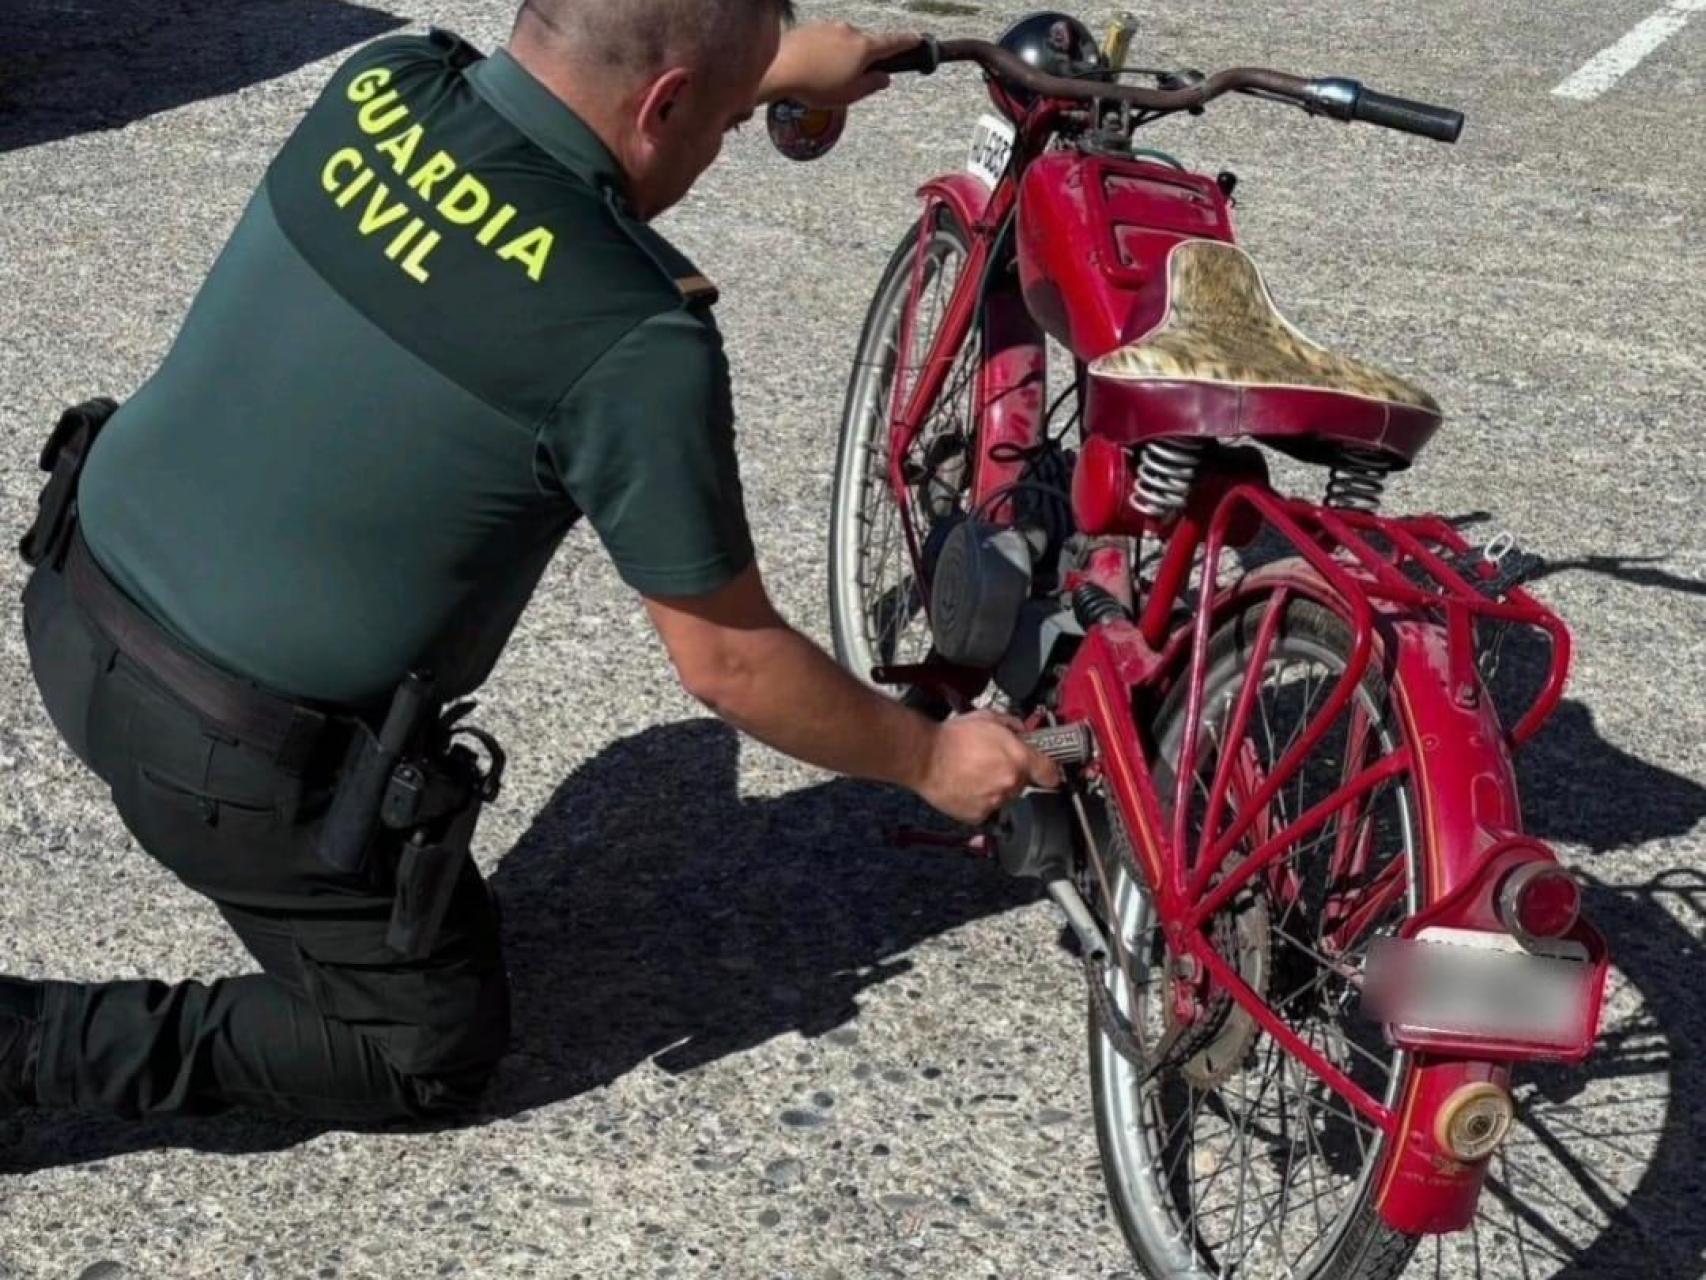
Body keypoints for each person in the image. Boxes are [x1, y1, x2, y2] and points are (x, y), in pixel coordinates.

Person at [3, 0, 1059, 1126]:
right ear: (665, 103)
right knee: (426, 1049)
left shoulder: (384, 79)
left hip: (72, 595)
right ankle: (32, 1050)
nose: (713, 152)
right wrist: (929, 757)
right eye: (714, 123)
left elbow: (579, 93)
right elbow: (729, 665)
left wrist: (751, 70)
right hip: (224, 768)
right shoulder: (632, 338)